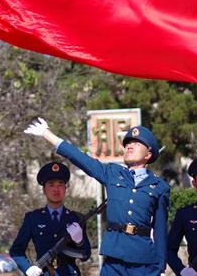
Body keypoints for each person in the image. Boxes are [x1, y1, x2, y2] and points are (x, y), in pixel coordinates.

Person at [24, 118, 170, 276]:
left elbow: (160, 231)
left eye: (136, 143)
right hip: (114, 258)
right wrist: (47, 133)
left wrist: (161, 268)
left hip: (144, 261)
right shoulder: (113, 173)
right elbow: (80, 158)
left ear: (148, 154)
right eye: (128, 143)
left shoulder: (159, 187)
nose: (129, 146)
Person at [10, 161, 92, 276]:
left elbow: (86, 255)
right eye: (51, 184)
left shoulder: (76, 218)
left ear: (65, 188)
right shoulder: (33, 218)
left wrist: (80, 241)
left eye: (60, 184)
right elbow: (16, 250)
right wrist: (27, 268)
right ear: (44, 189)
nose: (56, 189)